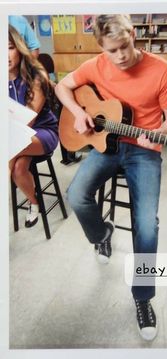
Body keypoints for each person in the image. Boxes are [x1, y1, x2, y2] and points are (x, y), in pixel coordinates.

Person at [55, 14, 167, 341]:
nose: (121, 56)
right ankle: (103, 233)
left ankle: (143, 298)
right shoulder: (96, 65)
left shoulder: (161, 70)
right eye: (112, 50)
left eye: (125, 46)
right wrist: (81, 113)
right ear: (101, 48)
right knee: (77, 195)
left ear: (133, 35)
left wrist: (156, 133)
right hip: (104, 145)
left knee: (146, 224)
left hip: (144, 149)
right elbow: (62, 86)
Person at [9, 25, 59, 227]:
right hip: (12, 138)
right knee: (18, 170)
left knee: (7, 149)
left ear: (19, 48)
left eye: (9, 47)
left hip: (42, 132)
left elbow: (26, 122)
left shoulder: (36, 76)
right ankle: (34, 202)